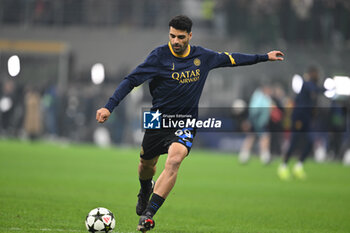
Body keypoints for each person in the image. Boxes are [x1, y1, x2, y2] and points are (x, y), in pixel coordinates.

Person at [96, 15, 284, 232]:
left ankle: (148, 215)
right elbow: (131, 81)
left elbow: (232, 59)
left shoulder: (202, 56)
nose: (175, 41)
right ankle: (145, 188)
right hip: (157, 120)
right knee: (146, 166)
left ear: (189, 36)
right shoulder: (158, 57)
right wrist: (109, 106)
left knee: (174, 161)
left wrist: (264, 57)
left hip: (185, 121)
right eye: (172, 36)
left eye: (180, 37)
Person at [278, 66, 325, 180]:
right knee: (294, 142)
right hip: (299, 118)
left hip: (307, 119)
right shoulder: (306, 84)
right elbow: (314, 89)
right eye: (316, 74)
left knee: (310, 142)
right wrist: (328, 89)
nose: (317, 76)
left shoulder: (311, 87)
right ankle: (283, 166)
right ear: (311, 74)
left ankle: (298, 166)